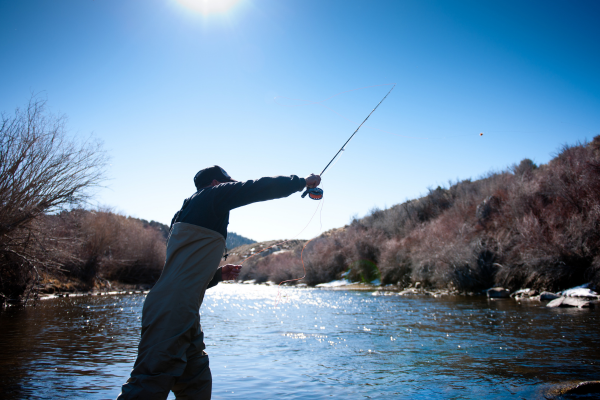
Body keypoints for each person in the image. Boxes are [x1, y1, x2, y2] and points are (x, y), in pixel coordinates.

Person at [117, 166, 321, 400]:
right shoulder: (211, 196)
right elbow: (254, 188)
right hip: (173, 310)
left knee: (197, 383)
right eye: (227, 183)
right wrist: (301, 182)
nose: (230, 187)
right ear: (216, 183)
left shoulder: (186, 214)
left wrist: (216, 275)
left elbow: (184, 271)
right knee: (148, 384)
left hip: (183, 311)